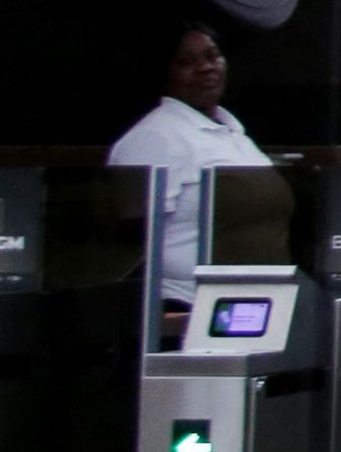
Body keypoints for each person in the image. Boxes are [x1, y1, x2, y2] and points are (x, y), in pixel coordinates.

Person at [107, 24, 272, 308]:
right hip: (182, 307)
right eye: (187, 62)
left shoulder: (233, 132)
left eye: (212, 56)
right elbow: (129, 245)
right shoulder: (155, 137)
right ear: (165, 74)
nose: (205, 67)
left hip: (250, 300)